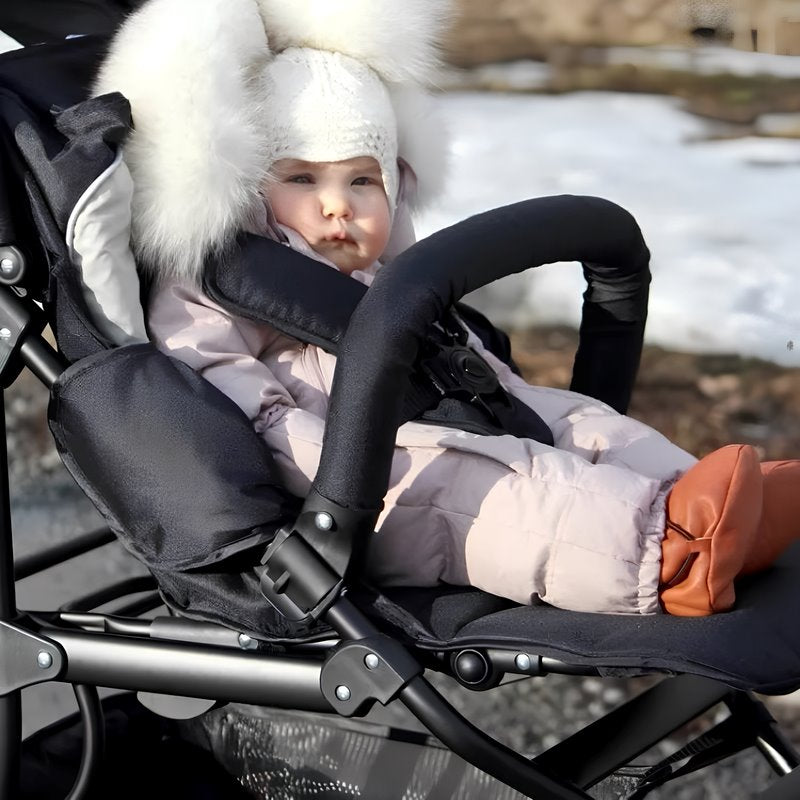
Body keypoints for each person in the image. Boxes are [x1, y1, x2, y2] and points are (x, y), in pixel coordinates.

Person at [95, 0, 799, 618]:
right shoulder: (209, 288)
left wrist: (512, 397)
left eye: (363, 179)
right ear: (246, 189)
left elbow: (470, 362)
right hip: (357, 487)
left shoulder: (385, 277)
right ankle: (667, 559)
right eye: (302, 178)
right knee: (500, 490)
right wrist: (348, 469)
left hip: (434, 425)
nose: (338, 203)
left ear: (397, 187)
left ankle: (706, 502)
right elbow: (247, 413)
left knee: (578, 421)